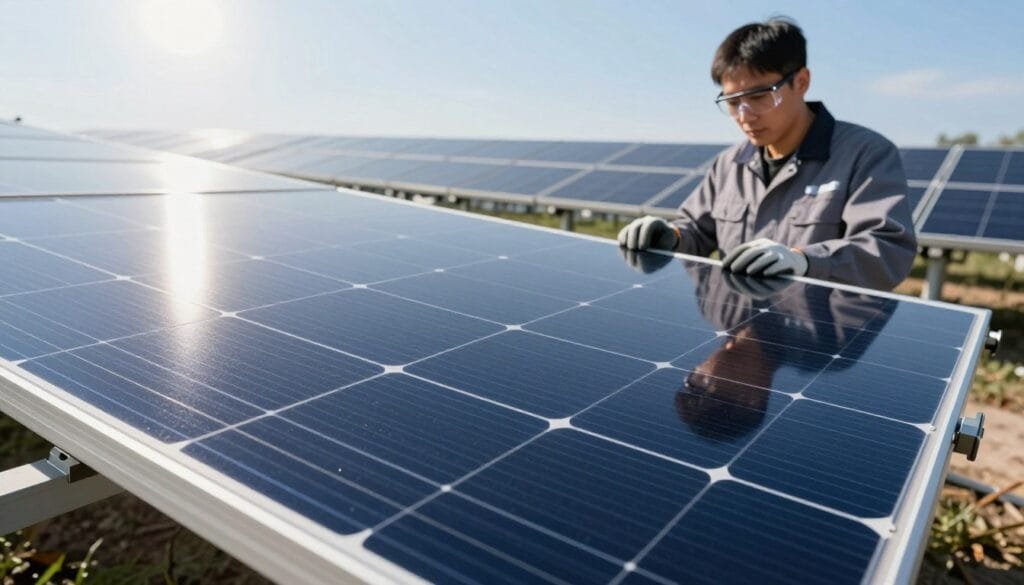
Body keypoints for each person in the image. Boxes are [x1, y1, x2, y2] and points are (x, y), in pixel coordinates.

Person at [618, 18, 916, 291]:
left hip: (820, 337)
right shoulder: (730, 164)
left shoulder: (864, 155)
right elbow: (696, 230)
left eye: (759, 97)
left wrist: (804, 260)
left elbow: (887, 250)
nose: (745, 116)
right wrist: (671, 235)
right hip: (736, 332)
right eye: (733, 102)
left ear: (801, 82)